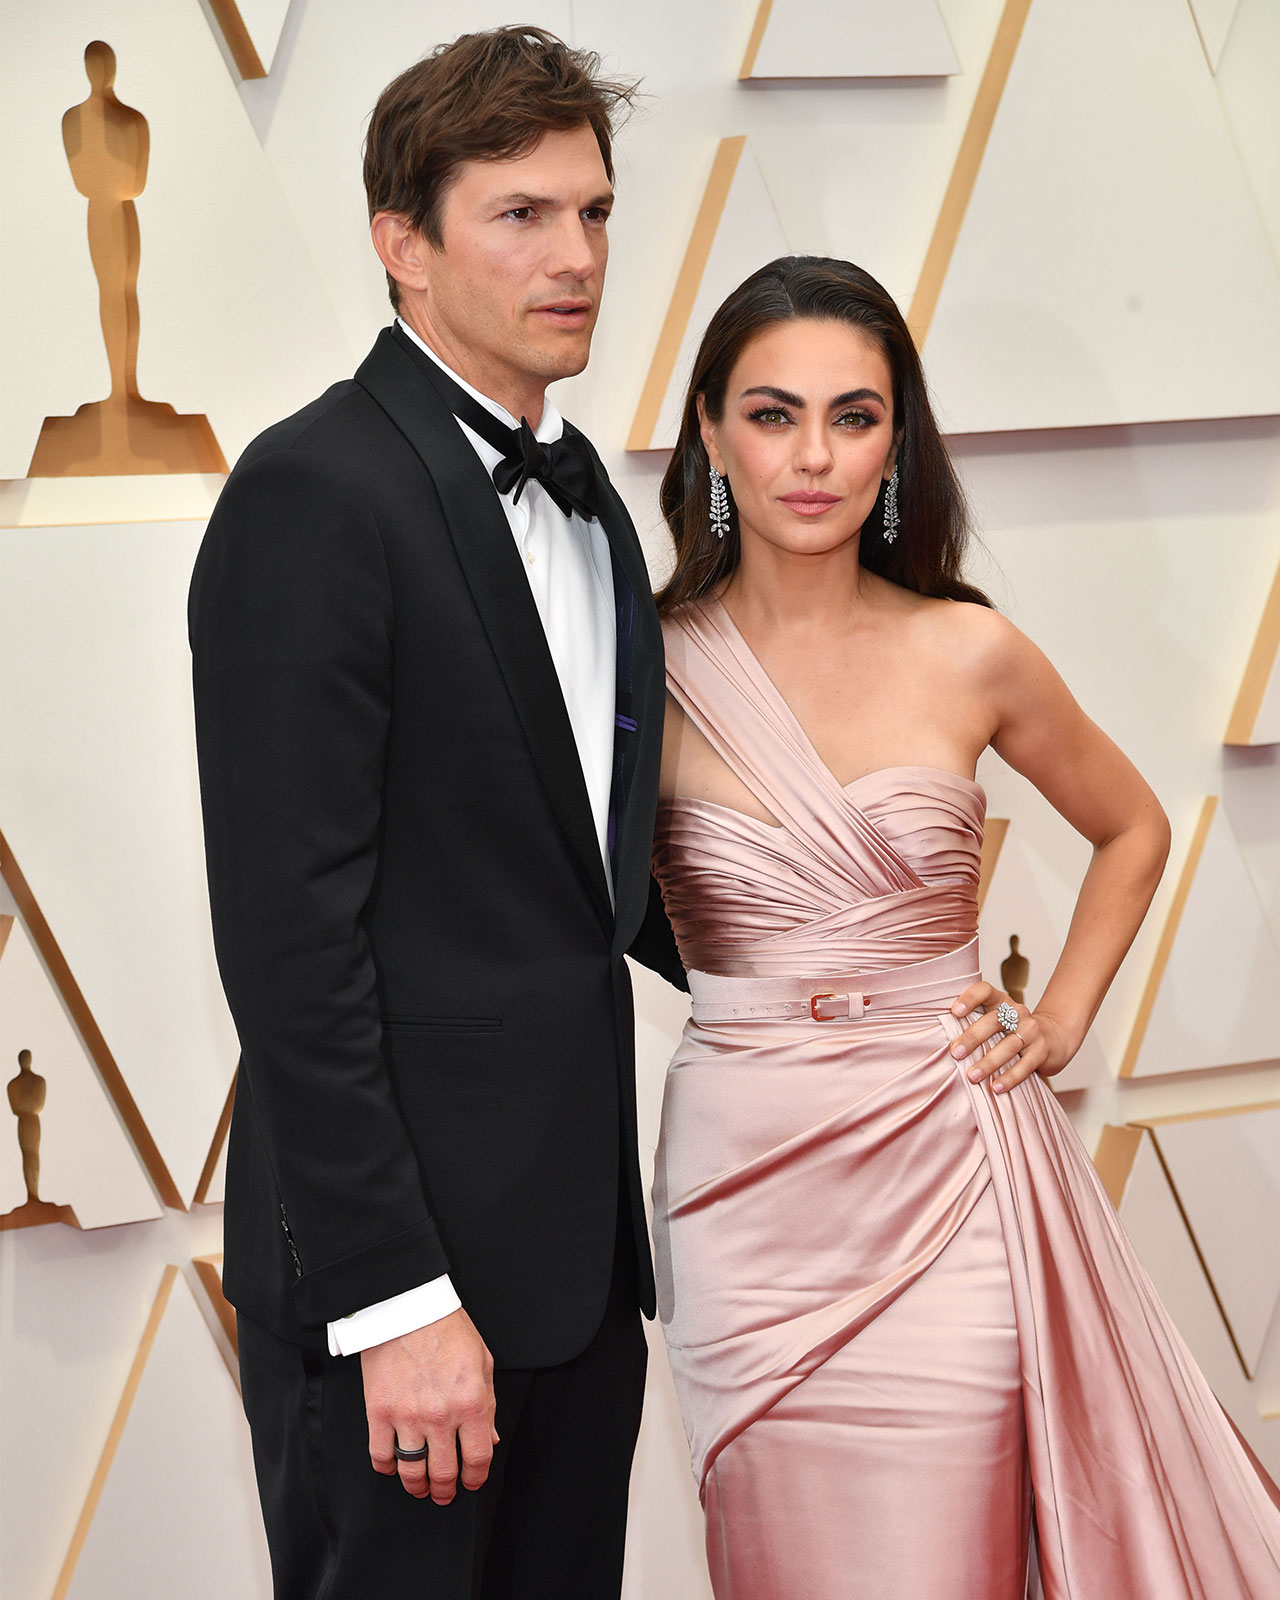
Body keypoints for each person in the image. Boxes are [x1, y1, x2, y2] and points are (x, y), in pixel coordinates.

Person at [649, 254, 1280, 1598]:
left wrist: (1057, 1020)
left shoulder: (968, 649)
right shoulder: (639, 669)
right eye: (771, 414)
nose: (813, 455)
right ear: (708, 427)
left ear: (899, 441)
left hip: (951, 1171)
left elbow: (1133, 826)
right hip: (742, 1191)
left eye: (855, 416)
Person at [189, 28, 684, 1600]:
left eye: (594, 213)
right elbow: (289, 943)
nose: (578, 256)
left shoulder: (592, 495)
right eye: (523, 215)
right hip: (401, 1302)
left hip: (581, 1285)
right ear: (404, 244)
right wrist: (396, 1299)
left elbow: (572, 870)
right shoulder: (313, 490)